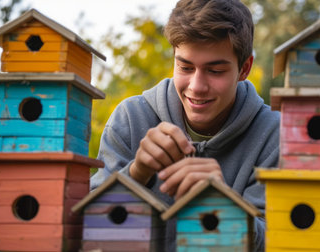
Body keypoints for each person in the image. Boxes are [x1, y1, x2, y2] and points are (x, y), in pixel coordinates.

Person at [91, 0, 279, 250]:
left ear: (244, 69)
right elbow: (85, 230)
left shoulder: (275, 135)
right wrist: (135, 176)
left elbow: (282, 241)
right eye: (185, 67)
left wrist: (225, 206)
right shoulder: (130, 118)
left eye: (215, 71)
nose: (197, 86)